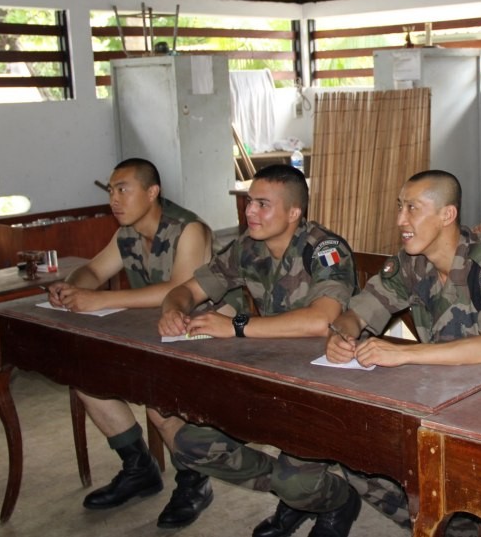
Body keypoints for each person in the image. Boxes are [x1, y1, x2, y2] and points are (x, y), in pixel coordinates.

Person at [155, 164, 361, 537]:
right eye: (250, 202)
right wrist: (173, 310)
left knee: (297, 480)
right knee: (191, 444)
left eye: (263, 204)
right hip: (270, 374)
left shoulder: (325, 250)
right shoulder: (248, 247)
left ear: (294, 212)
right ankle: (292, 493)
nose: (250, 211)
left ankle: (336, 502)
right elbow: (187, 290)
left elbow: (322, 321)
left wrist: (236, 326)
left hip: (325, 384)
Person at [326, 169, 481, 534]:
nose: (400, 220)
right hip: (435, 397)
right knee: (354, 453)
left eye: (412, 208)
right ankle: (449, 526)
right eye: (400, 207)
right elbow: (361, 309)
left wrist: (405, 354)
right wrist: (343, 333)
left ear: (447, 215)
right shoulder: (412, 261)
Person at [46, 158, 217, 528]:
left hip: (203, 330)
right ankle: (139, 468)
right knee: (85, 377)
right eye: (111, 190)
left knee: (158, 402)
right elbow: (94, 269)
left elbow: (179, 289)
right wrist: (71, 288)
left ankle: (194, 481)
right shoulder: (127, 232)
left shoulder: (188, 229)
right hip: (152, 332)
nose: (114, 199)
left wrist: (99, 300)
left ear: (152, 192)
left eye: (123, 189)